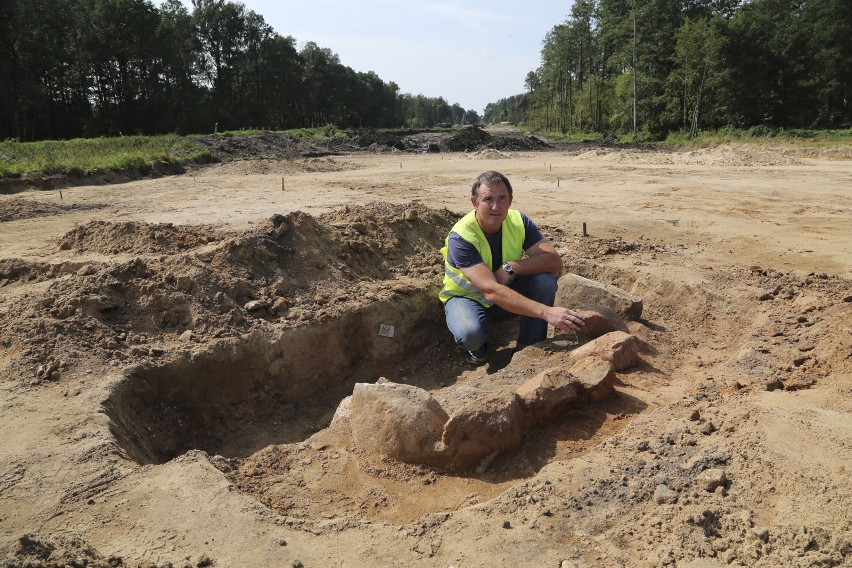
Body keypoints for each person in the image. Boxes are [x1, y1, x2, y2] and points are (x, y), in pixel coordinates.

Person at [439, 170, 585, 364]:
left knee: (544, 282)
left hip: (504, 294)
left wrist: (511, 267)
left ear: (510, 200)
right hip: (466, 298)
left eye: (502, 198)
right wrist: (547, 312)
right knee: (470, 334)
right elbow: (490, 290)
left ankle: (531, 347)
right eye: (487, 199)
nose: (495, 206)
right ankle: (478, 348)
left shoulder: (518, 221)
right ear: (474, 203)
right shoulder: (462, 237)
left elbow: (554, 262)